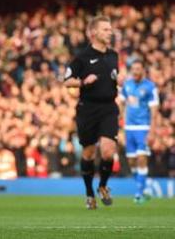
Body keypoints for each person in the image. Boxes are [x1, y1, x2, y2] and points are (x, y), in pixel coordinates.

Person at [63, 15, 119, 210]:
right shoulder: (82, 57)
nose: (109, 32)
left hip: (109, 108)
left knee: (108, 150)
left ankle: (103, 186)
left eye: (110, 29)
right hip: (87, 109)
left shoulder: (113, 56)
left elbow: (113, 77)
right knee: (88, 152)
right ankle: (89, 194)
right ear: (94, 33)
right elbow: (67, 80)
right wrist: (82, 82)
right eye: (105, 29)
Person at [120, 60, 160, 204]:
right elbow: (121, 105)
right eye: (134, 69)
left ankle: (138, 194)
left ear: (143, 70)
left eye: (138, 69)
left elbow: (154, 112)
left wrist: (152, 131)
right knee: (131, 162)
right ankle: (142, 188)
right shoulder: (127, 85)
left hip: (143, 128)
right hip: (129, 128)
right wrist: (120, 127)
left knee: (142, 158)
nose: (136, 71)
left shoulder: (150, 87)